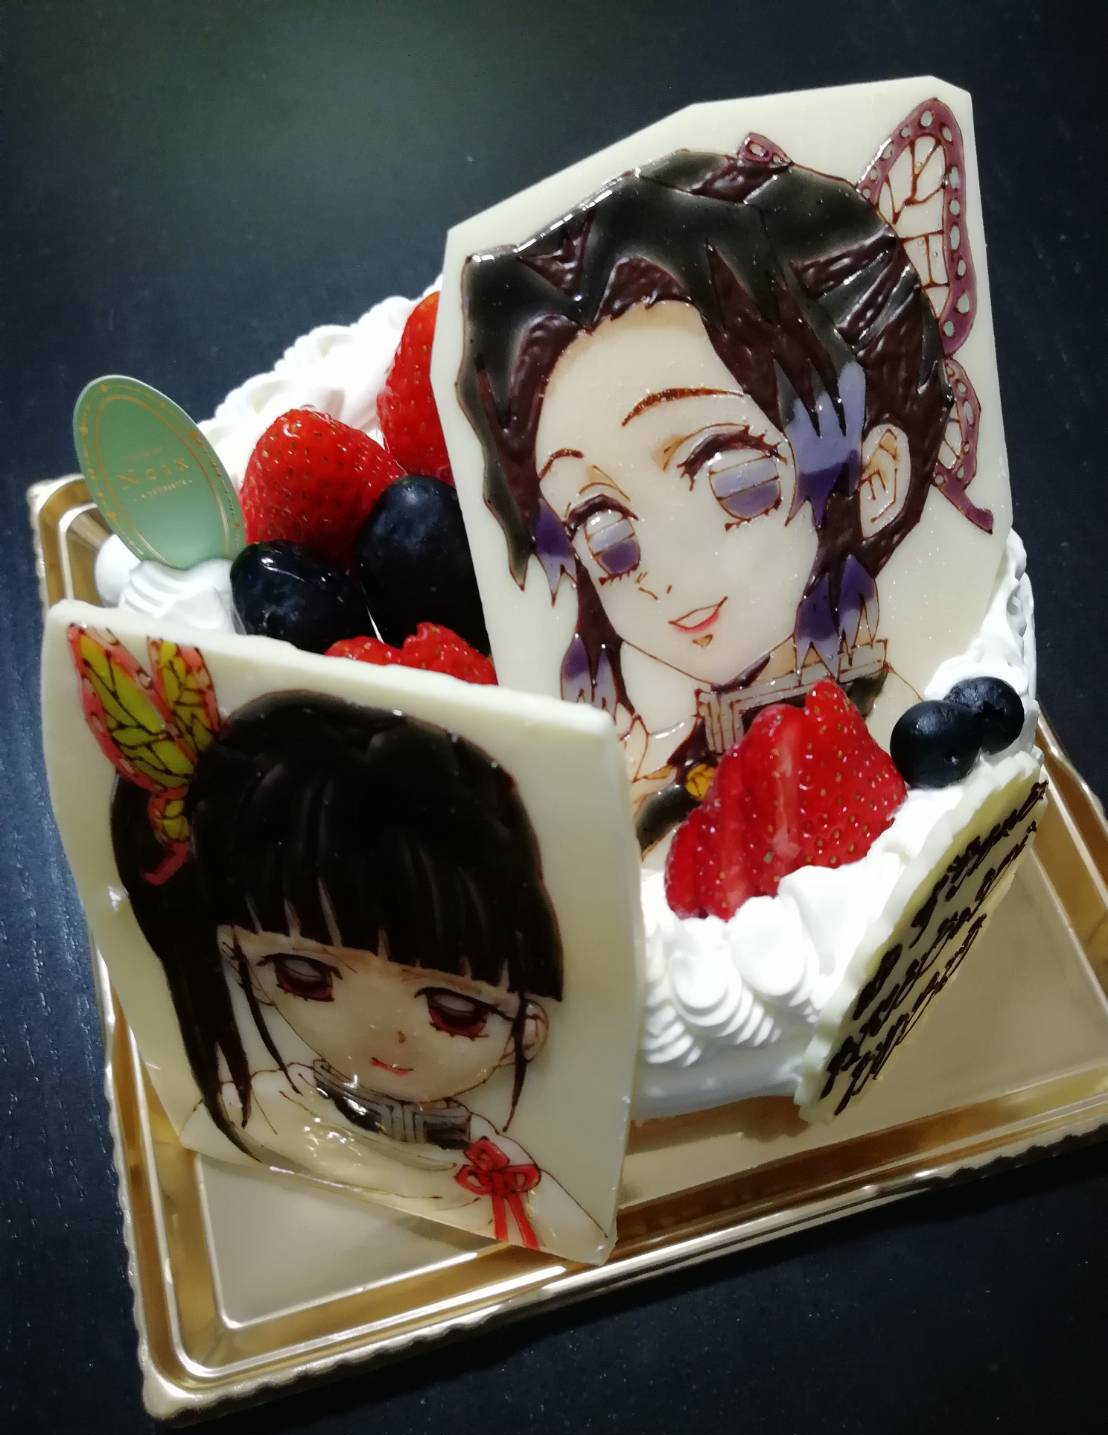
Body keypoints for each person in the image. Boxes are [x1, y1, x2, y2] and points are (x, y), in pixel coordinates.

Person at [457, 134, 986, 828]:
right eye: (603, 531)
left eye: (728, 479)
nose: (664, 574)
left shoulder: (898, 723)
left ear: (875, 477)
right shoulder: (661, 766)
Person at [72, 625, 598, 1253]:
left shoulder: (518, 1181)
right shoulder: (253, 1117)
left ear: (527, 1031)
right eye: (305, 975)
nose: (382, 1032)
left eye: (455, 1010)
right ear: (240, 961)